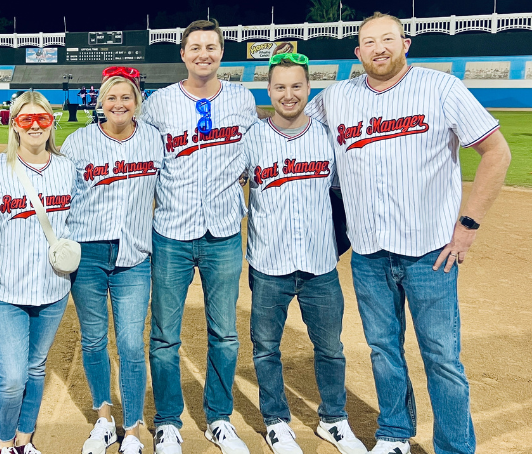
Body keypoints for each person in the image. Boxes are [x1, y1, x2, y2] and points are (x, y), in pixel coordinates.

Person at [305, 12, 512, 454]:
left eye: (388, 39)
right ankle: (395, 434)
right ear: (357, 53)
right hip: (369, 253)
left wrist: (467, 226)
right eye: (368, 42)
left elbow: (496, 151)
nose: (379, 48)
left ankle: (454, 447)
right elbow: (295, 129)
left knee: (442, 358)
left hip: (431, 253)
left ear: (406, 43)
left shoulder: (442, 89)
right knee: (383, 350)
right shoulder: (335, 97)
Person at [139, 19, 259, 454]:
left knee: (224, 333)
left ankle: (219, 418)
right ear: (183, 55)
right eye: (195, 47)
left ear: (221, 53)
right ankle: (168, 421)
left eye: (211, 46)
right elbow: (141, 156)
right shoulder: (159, 104)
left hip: (224, 230)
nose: (203, 54)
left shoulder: (243, 100)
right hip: (171, 229)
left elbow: (255, 153)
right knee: (166, 335)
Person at [245, 53, 367, 454]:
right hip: (268, 264)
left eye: (296, 86)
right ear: (269, 91)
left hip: (319, 264)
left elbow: (348, 192)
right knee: (266, 349)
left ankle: (333, 419)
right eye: (280, 86)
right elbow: (226, 182)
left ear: (308, 88)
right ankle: (276, 422)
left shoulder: (328, 137)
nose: (288, 94)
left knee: (330, 347)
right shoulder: (252, 137)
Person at [0, 91, 74, 454]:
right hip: (4, 288)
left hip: (53, 286)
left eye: (42, 119)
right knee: (12, 377)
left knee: (36, 367)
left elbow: (80, 219)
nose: (36, 125)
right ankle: (4, 441)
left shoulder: (68, 168)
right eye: (27, 119)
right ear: (15, 126)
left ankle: (25, 439)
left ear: (52, 123)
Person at [60, 67, 163, 454]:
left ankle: (132, 428)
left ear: (137, 102)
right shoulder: (78, 143)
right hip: (86, 254)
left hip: (134, 253)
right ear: (100, 102)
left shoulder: (153, 140)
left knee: (132, 346)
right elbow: (58, 190)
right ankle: (104, 419)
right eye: (111, 97)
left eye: (126, 97)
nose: (119, 103)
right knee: (93, 339)